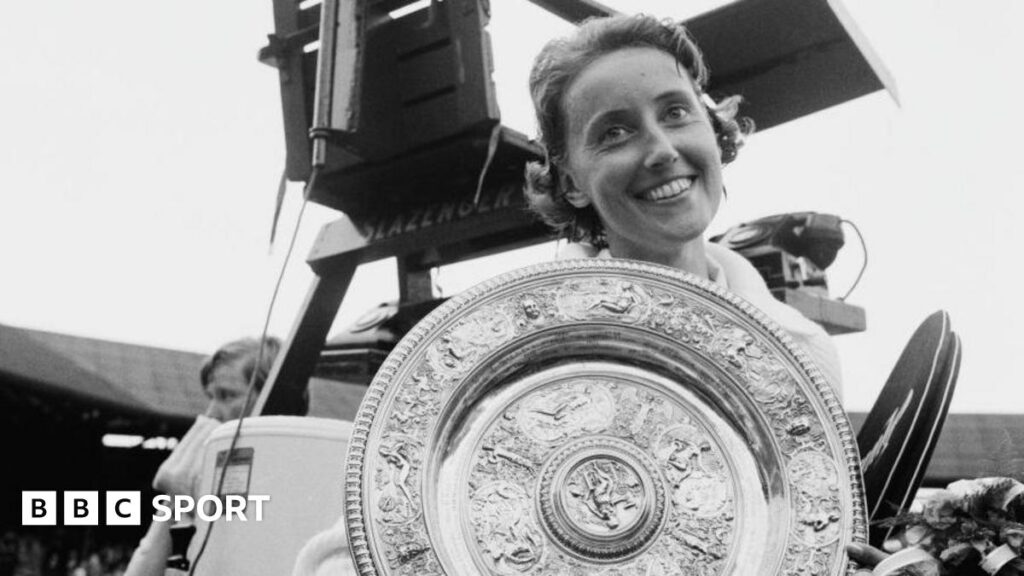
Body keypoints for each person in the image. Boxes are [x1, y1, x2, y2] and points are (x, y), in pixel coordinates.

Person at [124, 336, 281, 576]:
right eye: (211, 397)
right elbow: (147, 560)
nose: (211, 412)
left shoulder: (296, 470)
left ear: (272, 395)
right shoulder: (202, 468)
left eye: (227, 395)